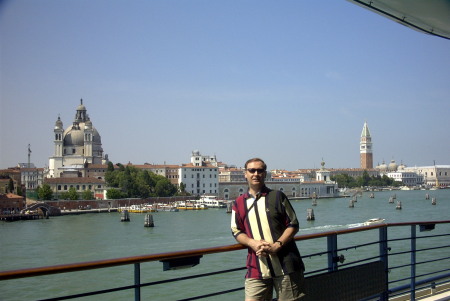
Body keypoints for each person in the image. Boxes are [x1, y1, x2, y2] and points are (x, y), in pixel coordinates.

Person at [231, 158, 305, 301]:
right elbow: (236, 230)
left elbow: (293, 224)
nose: (256, 174)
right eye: (252, 170)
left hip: (286, 267)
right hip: (256, 269)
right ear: (245, 174)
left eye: (260, 170)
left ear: (265, 174)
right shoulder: (238, 203)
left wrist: (277, 245)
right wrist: (253, 243)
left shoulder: (277, 197)